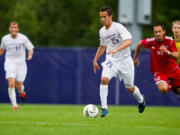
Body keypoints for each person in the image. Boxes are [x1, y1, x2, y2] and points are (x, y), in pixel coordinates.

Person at [93, 6, 145, 117]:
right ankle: (104, 108)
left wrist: (116, 49)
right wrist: (95, 60)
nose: (102, 19)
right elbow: (102, 46)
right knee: (103, 79)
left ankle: (141, 100)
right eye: (101, 17)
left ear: (110, 16)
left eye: (105, 17)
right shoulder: (102, 31)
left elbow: (128, 42)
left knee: (130, 88)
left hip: (125, 61)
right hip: (111, 60)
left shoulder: (118, 27)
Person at [134, 23, 180, 97]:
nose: (158, 34)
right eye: (156, 32)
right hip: (160, 71)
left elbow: (176, 56)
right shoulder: (151, 41)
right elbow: (140, 43)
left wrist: (167, 52)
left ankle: (171, 82)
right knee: (163, 89)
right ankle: (170, 83)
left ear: (164, 32)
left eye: (159, 31)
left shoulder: (170, 41)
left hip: (173, 69)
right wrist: (135, 57)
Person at [0, 21, 34, 110]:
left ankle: (22, 91)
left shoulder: (23, 38)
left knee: (18, 85)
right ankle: (14, 105)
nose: (14, 29)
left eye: (15, 28)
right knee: (11, 83)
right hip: (10, 63)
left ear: (18, 29)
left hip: (21, 63)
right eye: (12, 27)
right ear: (9, 29)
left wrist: (30, 55)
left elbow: (30, 48)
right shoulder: (5, 39)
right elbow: (2, 49)